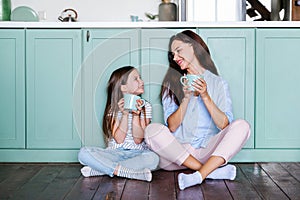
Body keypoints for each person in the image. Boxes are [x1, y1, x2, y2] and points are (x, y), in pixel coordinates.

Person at [144, 30, 251, 189]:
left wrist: (205, 96)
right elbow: (172, 126)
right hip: (178, 153)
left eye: (178, 51)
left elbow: (224, 125)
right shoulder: (172, 83)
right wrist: (186, 98)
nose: (175, 58)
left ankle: (199, 175)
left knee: (242, 126)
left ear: (194, 47)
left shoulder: (218, 83)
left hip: (208, 150)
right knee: (151, 130)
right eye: (173, 54)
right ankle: (209, 171)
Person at [78, 66, 159, 182]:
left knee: (153, 158)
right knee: (83, 153)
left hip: (138, 153)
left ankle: (100, 170)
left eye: (140, 78)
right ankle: (125, 172)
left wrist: (136, 115)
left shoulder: (146, 107)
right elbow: (119, 140)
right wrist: (125, 115)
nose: (141, 82)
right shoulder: (114, 109)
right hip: (115, 153)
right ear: (123, 87)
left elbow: (138, 140)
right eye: (136, 79)